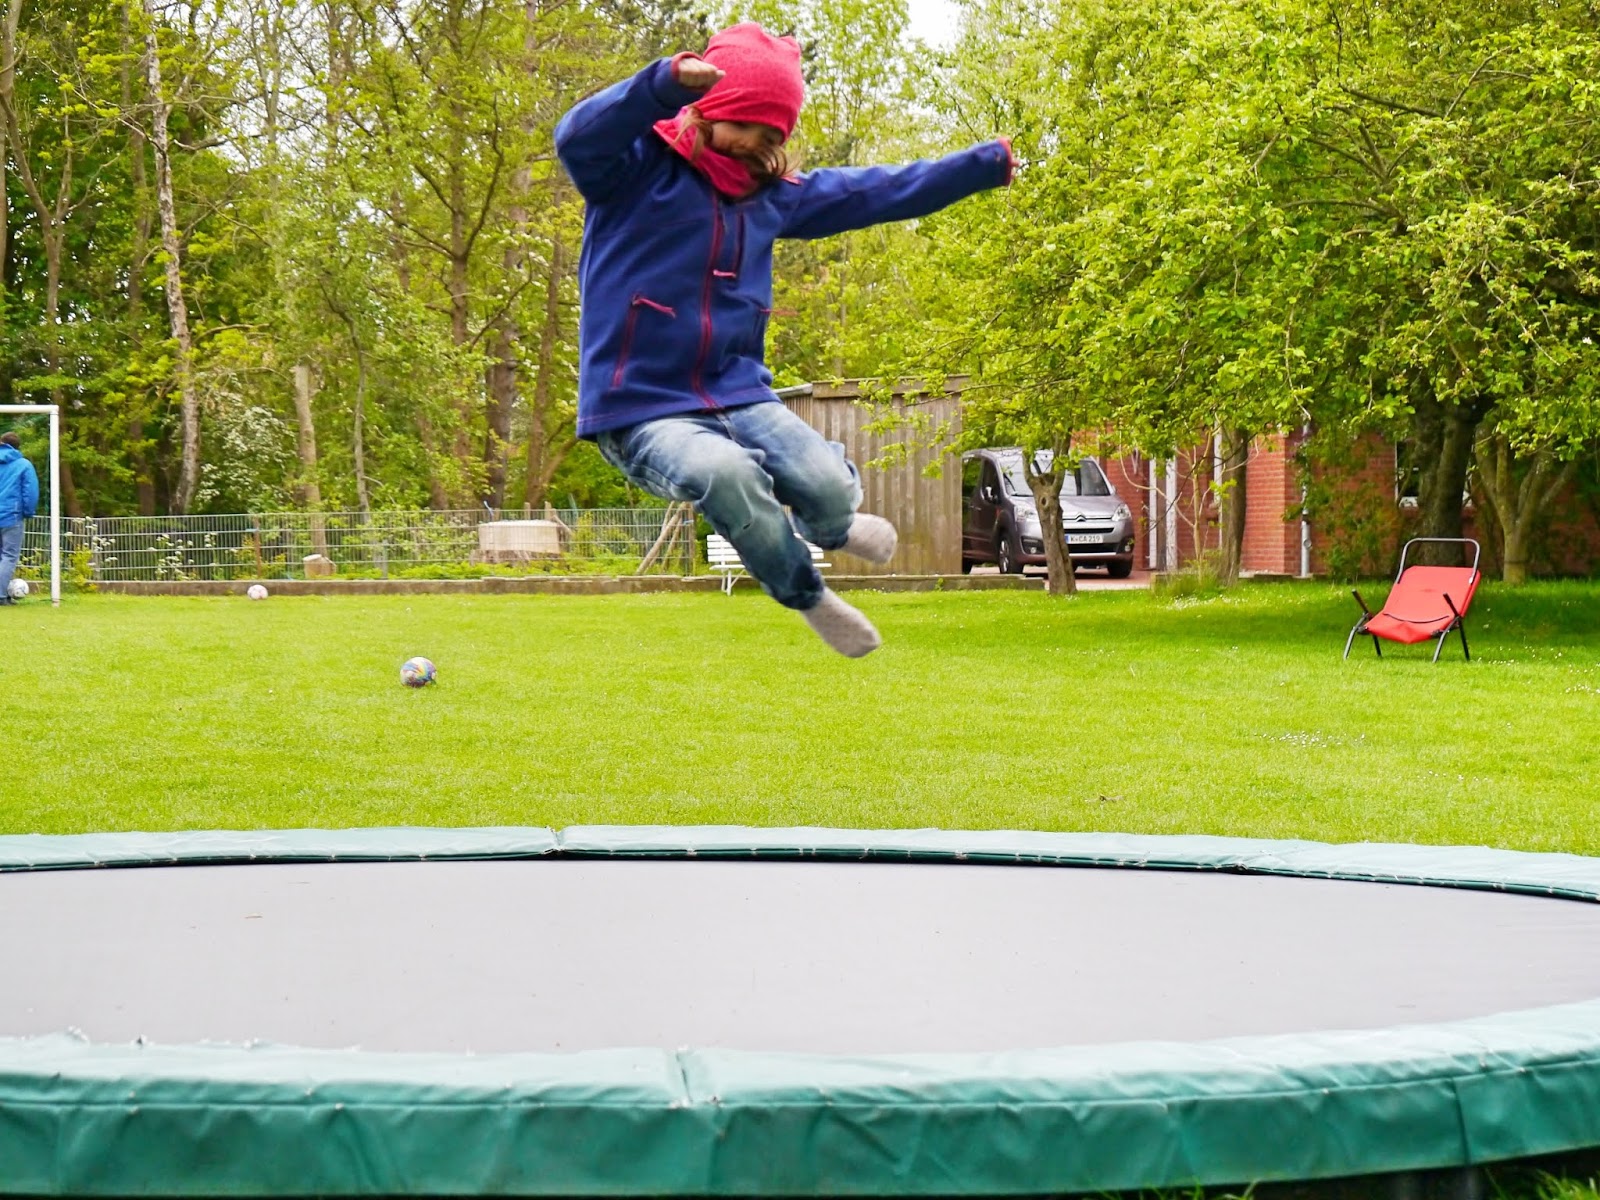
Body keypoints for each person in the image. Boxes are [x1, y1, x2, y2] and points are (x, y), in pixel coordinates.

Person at [555, 24, 1013, 656]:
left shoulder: (771, 197)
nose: (755, 146)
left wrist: (980, 166)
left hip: (737, 392)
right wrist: (661, 84)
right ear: (712, 109)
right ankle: (809, 596)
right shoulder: (630, 172)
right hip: (639, 406)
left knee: (825, 482)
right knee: (725, 474)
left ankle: (835, 526)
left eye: (772, 138)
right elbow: (577, 135)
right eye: (747, 126)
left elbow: (876, 191)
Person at [0, 431, 39, 605]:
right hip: (11, 516)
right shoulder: (23, 464)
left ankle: (4, 593)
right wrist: (28, 512)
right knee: (8, 556)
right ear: (17, 447)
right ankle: (1, 596)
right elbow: (30, 491)